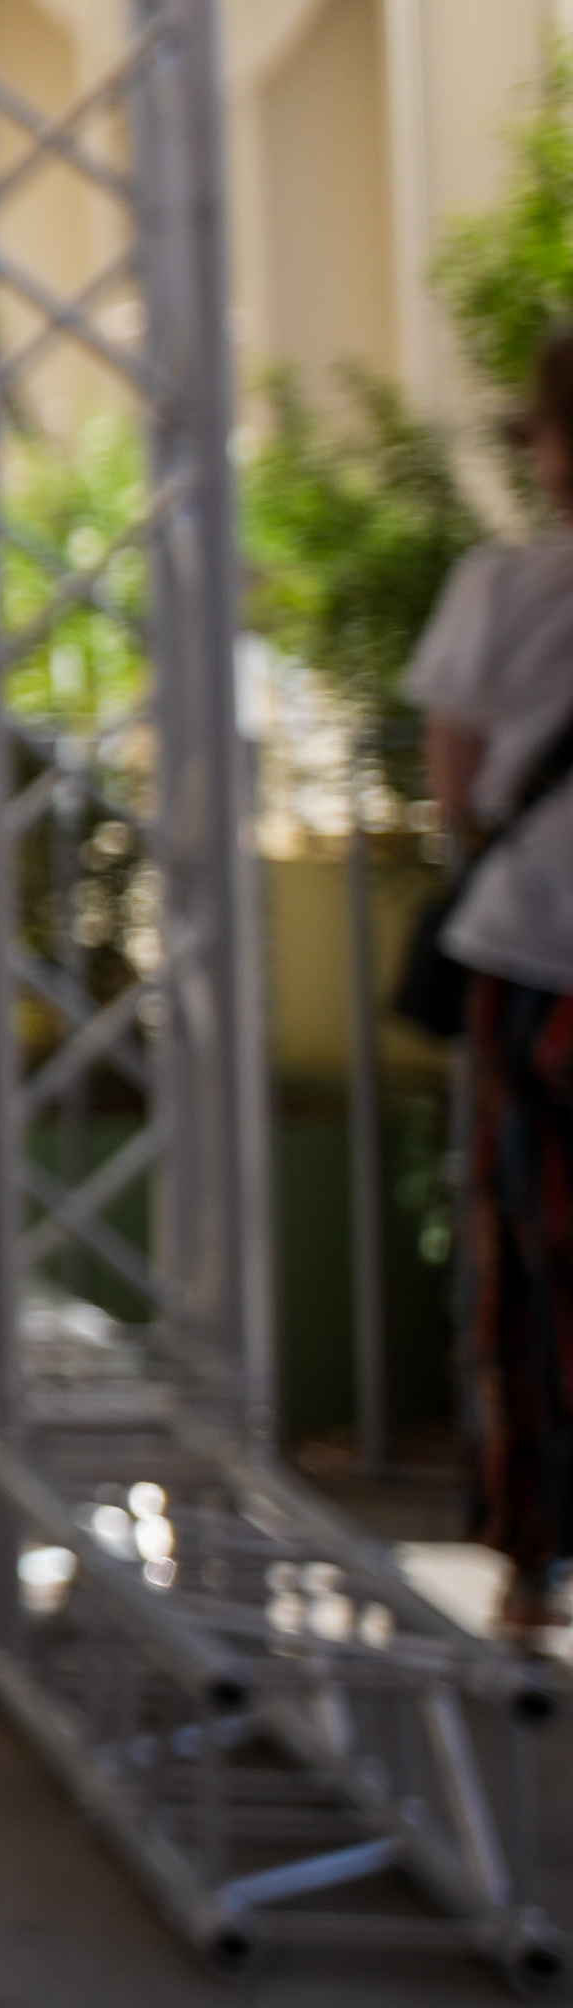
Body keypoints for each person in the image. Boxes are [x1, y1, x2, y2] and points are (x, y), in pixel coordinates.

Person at [402, 335, 573, 1646]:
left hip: (538, 962)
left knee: (532, 1254)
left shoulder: (507, 585)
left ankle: (533, 1561)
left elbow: (456, 793)